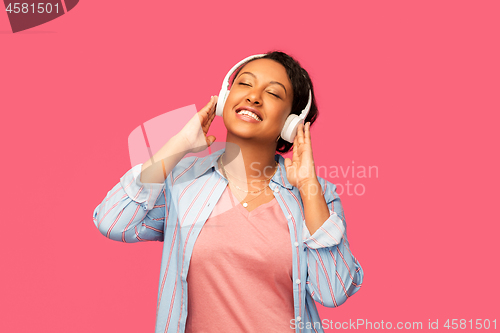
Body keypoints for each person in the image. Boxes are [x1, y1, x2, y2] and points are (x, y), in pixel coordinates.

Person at [93, 51, 364, 333]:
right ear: (225, 98)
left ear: (291, 123)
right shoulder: (182, 183)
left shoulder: (317, 197)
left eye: (272, 93)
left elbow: (333, 291)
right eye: (245, 84)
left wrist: (309, 187)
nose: (253, 97)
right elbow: (113, 221)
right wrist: (178, 145)